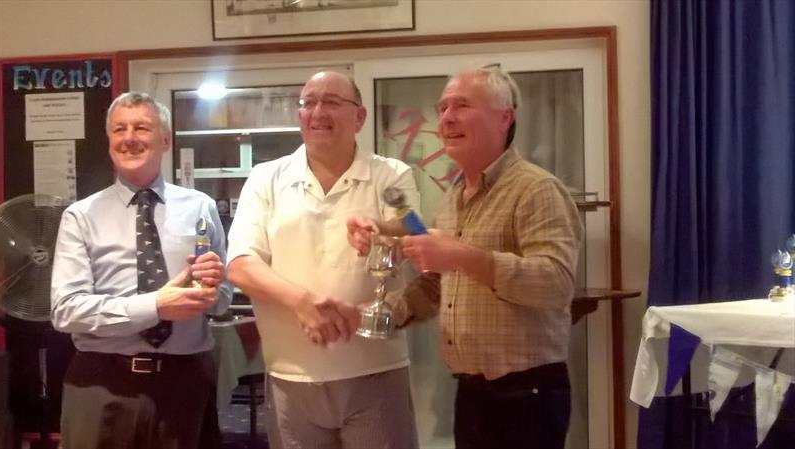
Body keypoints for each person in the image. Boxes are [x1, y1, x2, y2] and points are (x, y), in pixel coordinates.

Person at [347, 66, 584, 449]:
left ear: (505, 117)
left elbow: (555, 283)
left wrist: (460, 256)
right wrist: (377, 313)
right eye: (442, 108)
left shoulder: (536, 189)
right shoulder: (455, 196)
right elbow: (437, 286)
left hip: (527, 397)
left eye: (461, 105)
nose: (446, 118)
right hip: (472, 394)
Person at [226, 71, 419, 449]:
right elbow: (240, 264)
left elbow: (414, 227)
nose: (317, 112)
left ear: (359, 117)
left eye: (331, 102)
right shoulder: (266, 179)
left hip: (375, 372)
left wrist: (381, 228)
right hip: (290, 375)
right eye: (308, 102)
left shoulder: (390, 176)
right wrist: (303, 302)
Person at [51, 92, 232, 449]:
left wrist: (211, 290)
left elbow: (223, 301)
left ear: (165, 139)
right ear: (109, 143)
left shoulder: (201, 207)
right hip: (100, 385)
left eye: (142, 127)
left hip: (185, 382)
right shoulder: (81, 216)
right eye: (120, 129)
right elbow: (65, 310)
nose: (129, 137)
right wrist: (156, 307)